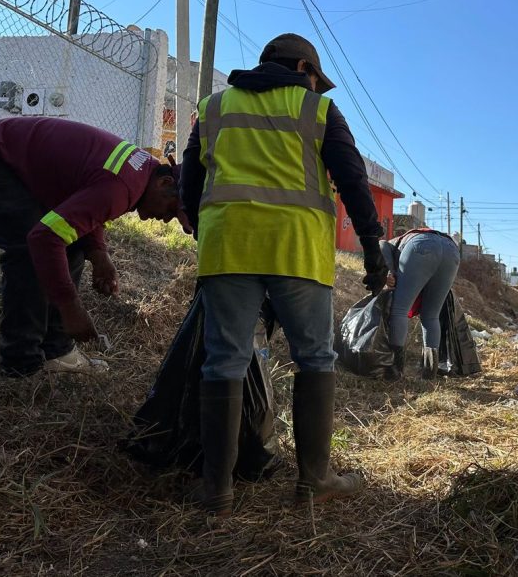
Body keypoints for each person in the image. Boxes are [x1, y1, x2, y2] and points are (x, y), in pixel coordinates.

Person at [180, 33, 388, 516]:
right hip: (296, 251)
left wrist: (204, 229)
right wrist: (373, 248)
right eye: (316, 80)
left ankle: (217, 490)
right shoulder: (316, 110)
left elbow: (191, 178)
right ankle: (314, 478)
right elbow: (352, 178)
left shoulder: (213, 108)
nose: (318, 89)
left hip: (228, 247)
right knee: (314, 358)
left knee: (224, 363)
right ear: (302, 69)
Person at [0, 117, 184, 378]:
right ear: (165, 183)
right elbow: (44, 239)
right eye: (172, 211)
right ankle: (20, 364)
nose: (165, 219)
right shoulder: (123, 188)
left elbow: (85, 196)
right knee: (29, 252)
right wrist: (70, 307)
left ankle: (56, 353)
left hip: (0, 159)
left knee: (70, 247)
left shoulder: (141, 170)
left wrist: (99, 254)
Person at [380, 229, 461, 379]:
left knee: (399, 310)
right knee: (431, 316)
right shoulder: (406, 240)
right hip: (452, 250)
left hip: (422, 247)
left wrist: (388, 272)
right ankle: (429, 373)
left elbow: (381, 244)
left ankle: (394, 371)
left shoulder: (391, 244)